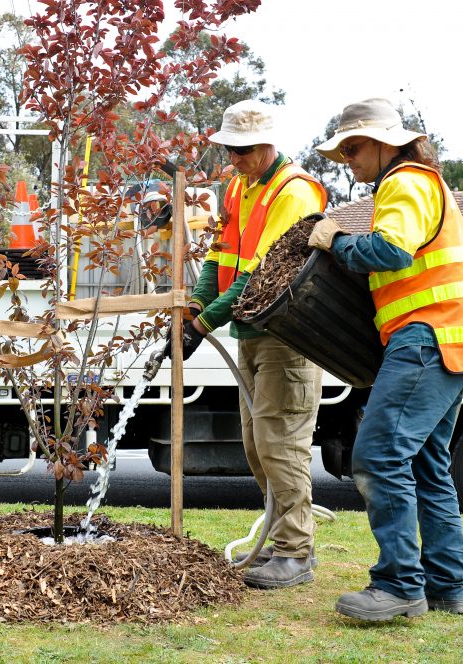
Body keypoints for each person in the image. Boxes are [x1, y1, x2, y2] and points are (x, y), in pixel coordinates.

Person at [310, 98, 463, 620]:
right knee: (426, 467)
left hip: (428, 336)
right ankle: (446, 585)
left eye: (354, 148)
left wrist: (337, 241)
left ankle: (399, 585)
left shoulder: (405, 182)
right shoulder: (420, 184)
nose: (347, 160)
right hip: (453, 339)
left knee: (377, 456)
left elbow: (390, 251)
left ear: (384, 143)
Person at [167, 99, 328, 589]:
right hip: (252, 334)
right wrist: (195, 307)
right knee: (258, 447)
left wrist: (203, 326)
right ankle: (283, 546)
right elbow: (221, 254)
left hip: (287, 336)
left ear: (266, 145)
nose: (232, 159)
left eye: (241, 150)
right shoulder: (240, 186)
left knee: (280, 446)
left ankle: (296, 552)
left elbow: (262, 274)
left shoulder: (294, 192)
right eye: (229, 149)